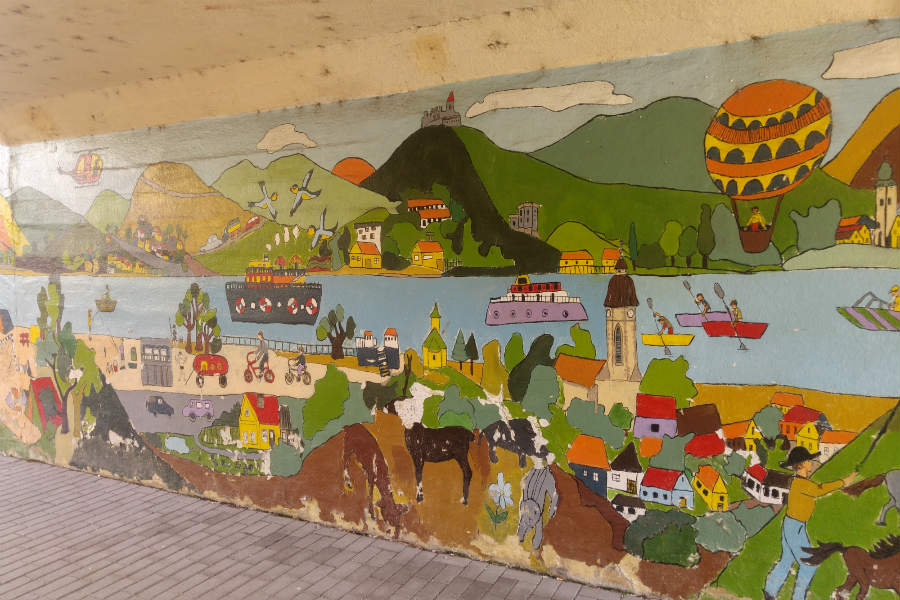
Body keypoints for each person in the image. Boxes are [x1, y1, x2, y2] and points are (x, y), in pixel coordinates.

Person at [763, 447, 855, 600]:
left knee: (786, 560)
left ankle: (770, 592)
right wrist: (843, 481)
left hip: (791, 524)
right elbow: (819, 489)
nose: (811, 463)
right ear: (802, 464)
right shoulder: (801, 484)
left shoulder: (798, 482)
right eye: (809, 460)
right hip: (795, 527)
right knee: (809, 564)